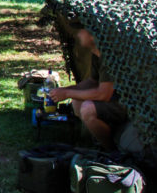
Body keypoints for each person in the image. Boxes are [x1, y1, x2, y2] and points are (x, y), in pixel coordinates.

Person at [49, 21, 128, 151]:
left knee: (87, 108)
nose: (78, 34)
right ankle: (94, 142)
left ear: (92, 34)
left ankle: (111, 151)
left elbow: (104, 94)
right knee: (77, 103)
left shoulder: (109, 57)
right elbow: (92, 81)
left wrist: (67, 94)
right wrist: (64, 90)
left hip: (125, 104)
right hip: (111, 100)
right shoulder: (96, 54)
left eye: (81, 30)